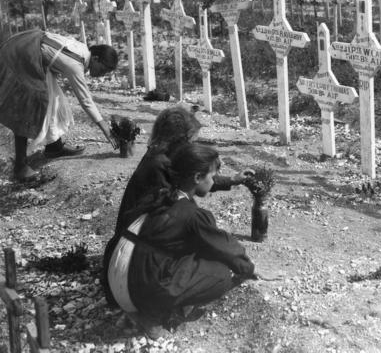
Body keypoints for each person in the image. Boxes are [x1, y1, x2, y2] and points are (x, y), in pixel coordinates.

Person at [106, 143, 267, 338]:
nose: (213, 180)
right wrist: (248, 267)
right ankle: (154, 315)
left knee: (183, 253)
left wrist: (232, 180)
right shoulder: (193, 215)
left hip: (116, 281)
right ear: (197, 177)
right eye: (212, 176)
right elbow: (223, 245)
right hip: (140, 291)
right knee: (221, 274)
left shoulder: (161, 195)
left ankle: (144, 307)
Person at [103, 104, 253, 307]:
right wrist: (245, 266)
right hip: (137, 256)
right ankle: (158, 311)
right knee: (217, 270)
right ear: (179, 141)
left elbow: (195, 179)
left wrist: (232, 180)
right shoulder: (161, 168)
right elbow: (184, 212)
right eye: (192, 141)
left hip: (125, 254)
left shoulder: (160, 159)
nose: (194, 146)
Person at [0, 29, 119, 182]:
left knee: (54, 100)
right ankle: (20, 167)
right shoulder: (75, 64)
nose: (102, 75)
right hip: (21, 54)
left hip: (28, 47)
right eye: (103, 70)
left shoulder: (81, 49)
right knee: (28, 106)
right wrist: (106, 129)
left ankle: (54, 148)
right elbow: (85, 100)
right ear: (95, 59)